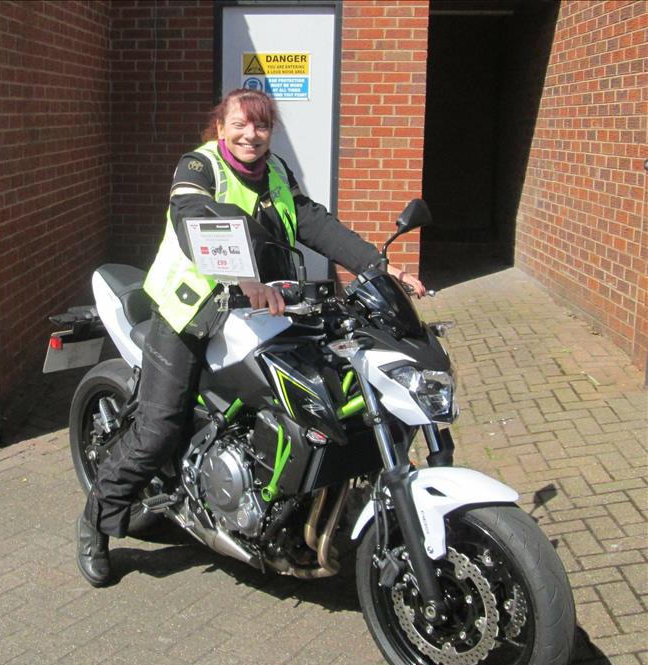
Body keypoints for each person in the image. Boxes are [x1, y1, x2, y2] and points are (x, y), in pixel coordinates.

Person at [76, 88, 426, 586]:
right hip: (190, 309)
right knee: (158, 429)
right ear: (221, 127)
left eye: (261, 126)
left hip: (259, 307)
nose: (251, 135)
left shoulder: (277, 171)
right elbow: (192, 218)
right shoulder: (199, 167)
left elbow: (313, 223)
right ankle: (95, 522)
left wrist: (379, 267)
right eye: (240, 124)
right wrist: (244, 279)